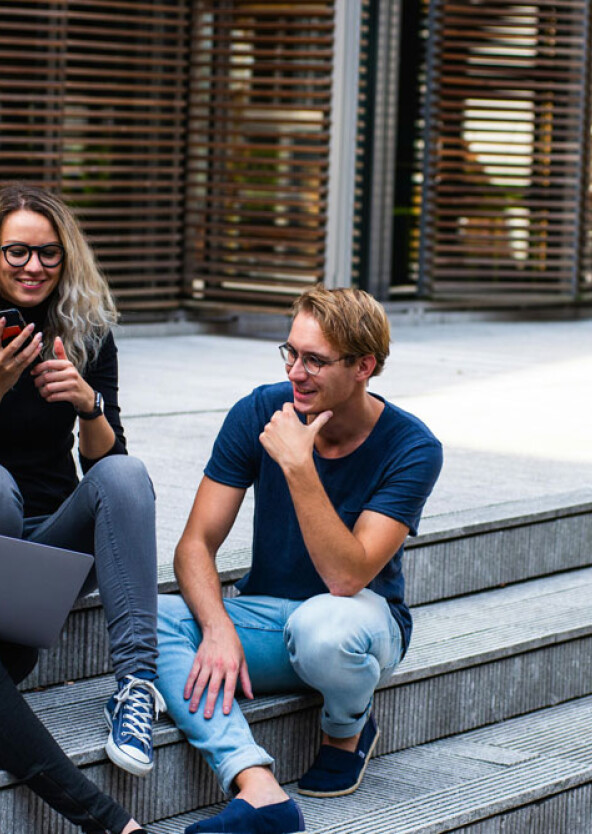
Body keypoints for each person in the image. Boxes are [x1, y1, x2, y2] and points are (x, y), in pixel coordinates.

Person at [157, 286, 443, 834]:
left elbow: (347, 576)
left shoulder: (413, 447)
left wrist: (299, 466)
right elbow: (195, 544)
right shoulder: (260, 410)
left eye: (314, 360)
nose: (296, 372)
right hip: (266, 616)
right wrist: (217, 627)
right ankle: (256, 786)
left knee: (324, 627)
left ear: (365, 366)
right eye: (290, 353)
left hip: (359, 621)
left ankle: (347, 727)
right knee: (151, 618)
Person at [0, 183, 165, 826]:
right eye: (16, 252)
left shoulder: (86, 332)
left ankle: (134, 688)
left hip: (56, 544)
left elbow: (105, 463)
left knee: (127, 474)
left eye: (48, 254)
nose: (33, 267)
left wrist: (86, 402)